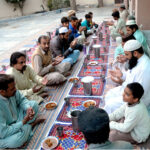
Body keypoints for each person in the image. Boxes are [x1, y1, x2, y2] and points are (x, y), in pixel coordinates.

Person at [104, 40, 150, 114]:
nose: (126, 57)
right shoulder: (137, 60)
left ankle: (109, 122)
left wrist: (122, 82)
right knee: (109, 95)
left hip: (136, 99)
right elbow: (131, 74)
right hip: (128, 89)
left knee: (110, 105)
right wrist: (122, 75)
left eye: (127, 54)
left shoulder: (145, 67)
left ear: (135, 53)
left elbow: (139, 93)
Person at [0, 74, 44, 148]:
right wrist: (23, 122)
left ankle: (25, 130)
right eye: (12, 89)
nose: (15, 90)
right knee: (15, 141)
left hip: (18, 119)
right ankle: (30, 126)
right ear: (2, 92)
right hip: (4, 131)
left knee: (34, 104)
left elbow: (22, 100)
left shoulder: (13, 91)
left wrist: (28, 108)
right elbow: (4, 133)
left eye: (14, 86)